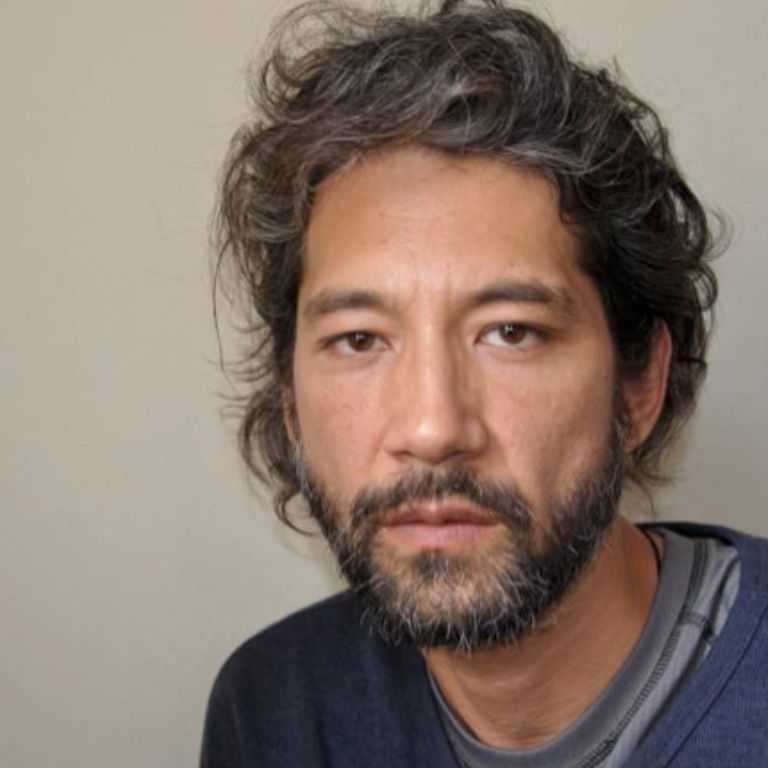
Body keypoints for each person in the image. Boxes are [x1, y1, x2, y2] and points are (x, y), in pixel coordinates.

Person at [200, 1, 768, 766]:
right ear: (290, 405)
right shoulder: (277, 707)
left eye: (511, 332)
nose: (433, 428)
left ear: (639, 386)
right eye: (359, 340)